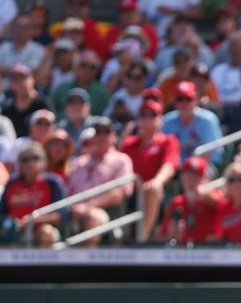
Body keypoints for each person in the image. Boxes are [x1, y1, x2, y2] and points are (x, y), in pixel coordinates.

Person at [67, 117, 134, 246]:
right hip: (74, 212)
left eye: (106, 132)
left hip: (106, 213)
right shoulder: (78, 163)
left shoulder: (121, 160)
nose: (101, 136)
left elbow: (119, 194)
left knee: (93, 217)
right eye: (98, 132)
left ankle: (86, 263)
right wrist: (74, 208)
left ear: (114, 136)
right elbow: (68, 191)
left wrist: (87, 207)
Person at [119, 101, 179, 239]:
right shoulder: (129, 143)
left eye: (151, 115)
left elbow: (169, 166)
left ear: (160, 120)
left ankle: (142, 238)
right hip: (129, 192)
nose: (146, 119)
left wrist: (157, 181)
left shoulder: (168, 141)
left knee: (152, 189)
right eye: (143, 115)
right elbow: (118, 164)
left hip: (152, 192)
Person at [0, 143, 66, 247]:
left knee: (46, 231)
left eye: (35, 158)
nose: (30, 163)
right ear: (19, 164)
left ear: (44, 161)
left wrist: (33, 220)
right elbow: (2, 213)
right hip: (14, 231)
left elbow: (62, 215)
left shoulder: (52, 182)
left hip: (40, 230)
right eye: (25, 159)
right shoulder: (12, 182)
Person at [158, 156, 223, 245]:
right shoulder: (177, 202)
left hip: (208, 252)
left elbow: (226, 208)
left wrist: (206, 195)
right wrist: (171, 233)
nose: (191, 180)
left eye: (196, 176)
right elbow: (162, 236)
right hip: (183, 252)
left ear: (205, 179)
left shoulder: (214, 196)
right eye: (187, 175)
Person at [162, 81, 223, 162]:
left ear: (196, 100)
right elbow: (162, 150)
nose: (184, 103)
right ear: (175, 102)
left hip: (204, 166)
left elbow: (212, 153)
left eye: (188, 99)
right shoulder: (167, 121)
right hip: (174, 167)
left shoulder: (208, 120)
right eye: (180, 99)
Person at [137, 0, 202, 38]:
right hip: (153, 37)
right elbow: (140, 13)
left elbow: (197, 12)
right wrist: (150, 21)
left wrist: (174, 12)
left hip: (180, 38)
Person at [52, 50, 109, 120]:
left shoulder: (102, 93)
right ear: (75, 67)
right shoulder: (62, 89)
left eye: (92, 67)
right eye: (83, 65)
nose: (87, 70)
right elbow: (51, 111)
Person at [2, 63, 52, 139]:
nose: (20, 82)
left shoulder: (42, 103)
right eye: (15, 79)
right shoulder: (8, 108)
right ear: (11, 84)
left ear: (32, 79)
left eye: (23, 78)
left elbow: (52, 129)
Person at [56, 88, 91, 152]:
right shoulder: (59, 128)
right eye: (72, 102)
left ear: (88, 107)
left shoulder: (96, 126)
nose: (76, 107)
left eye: (80, 102)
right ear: (66, 107)